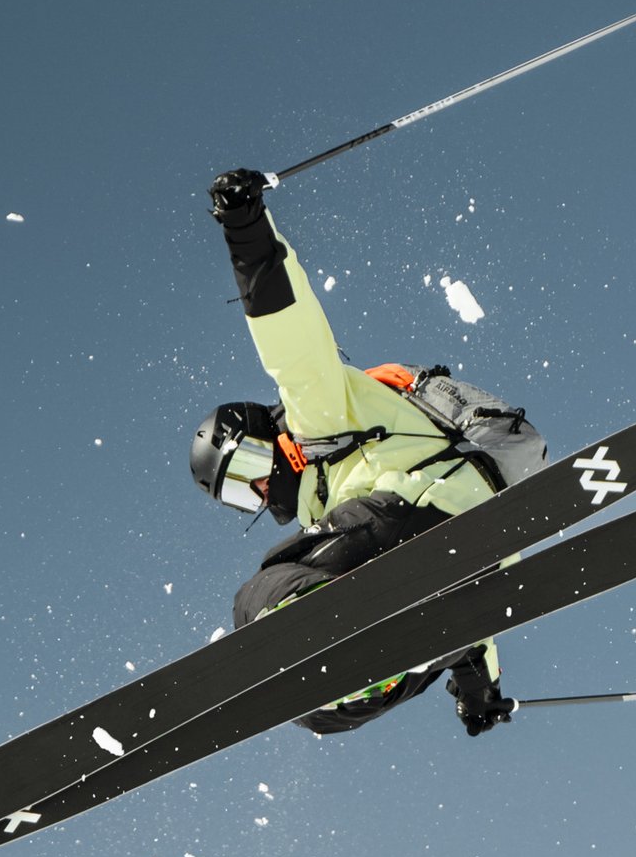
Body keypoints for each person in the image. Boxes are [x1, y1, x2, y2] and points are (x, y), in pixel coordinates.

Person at [187, 168, 525, 735]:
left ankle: (313, 637)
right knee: (314, 712)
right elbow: (476, 635)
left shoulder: (318, 417)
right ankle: (364, 668)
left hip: (423, 505)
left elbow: (291, 338)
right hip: (472, 567)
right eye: (243, 495)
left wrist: (247, 233)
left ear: (264, 437)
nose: (262, 489)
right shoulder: (323, 516)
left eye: (247, 468)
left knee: (258, 599)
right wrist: (479, 691)